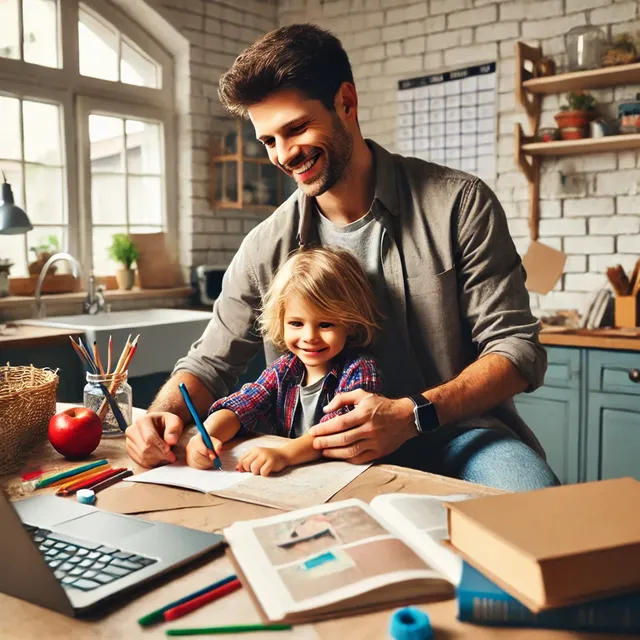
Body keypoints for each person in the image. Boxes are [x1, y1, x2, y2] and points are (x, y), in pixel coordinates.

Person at [126, 23, 559, 492]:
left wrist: (412, 414)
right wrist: (159, 417)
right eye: (269, 141)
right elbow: (210, 364)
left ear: (346, 104)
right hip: (317, 453)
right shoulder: (264, 246)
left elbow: (517, 350)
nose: (284, 155)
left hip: (462, 436)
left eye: (296, 129)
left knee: (542, 513)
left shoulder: (459, 204)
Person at [185, 246, 382, 476]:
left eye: (326, 324)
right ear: (282, 320)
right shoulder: (285, 369)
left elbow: (336, 432)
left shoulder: (360, 370)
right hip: (294, 479)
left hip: (345, 480)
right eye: (296, 323)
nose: (309, 337)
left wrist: (284, 455)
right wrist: (207, 435)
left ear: (350, 324)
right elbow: (245, 404)